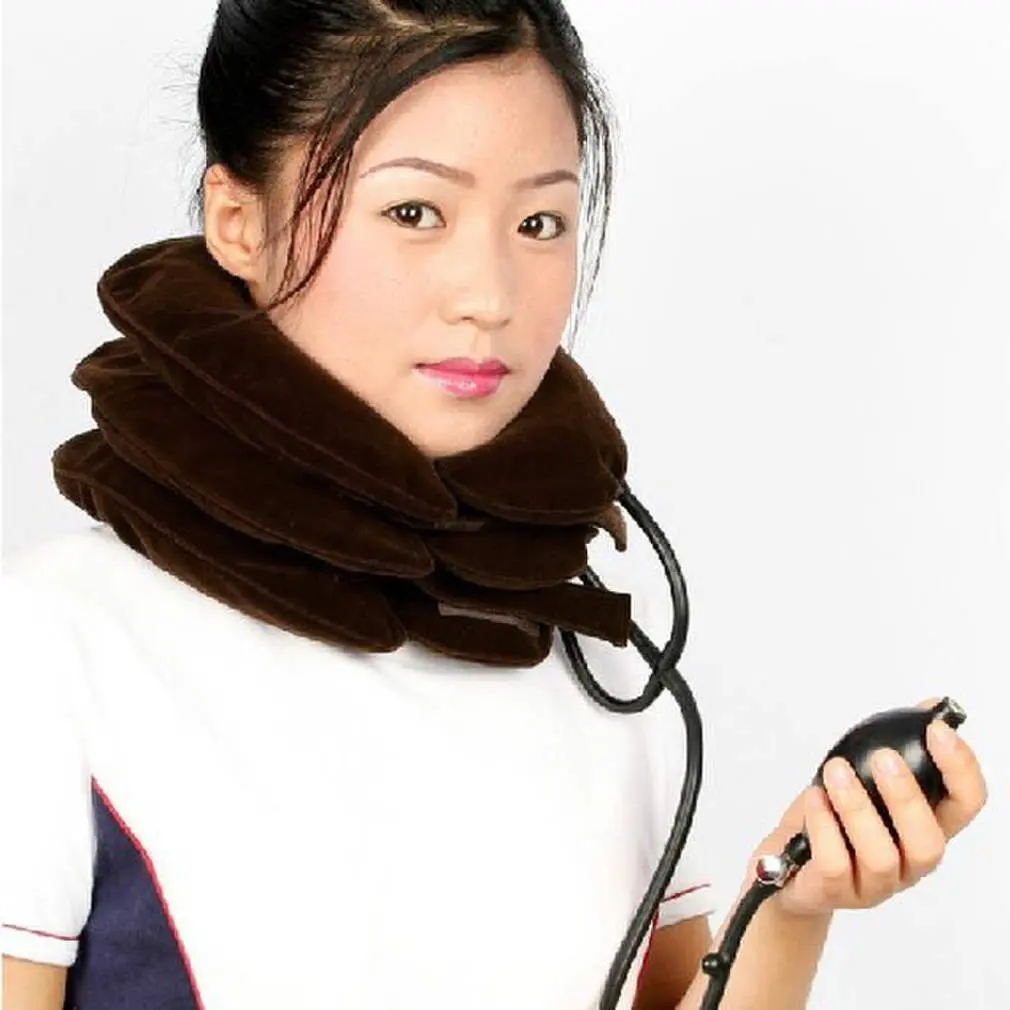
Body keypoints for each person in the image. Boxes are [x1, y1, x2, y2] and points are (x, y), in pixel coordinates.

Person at [1, 2, 988, 1009]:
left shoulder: (594, 658)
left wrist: (789, 904)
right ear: (238, 222)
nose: (489, 293)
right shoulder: (52, 644)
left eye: (538, 223)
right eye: (414, 212)